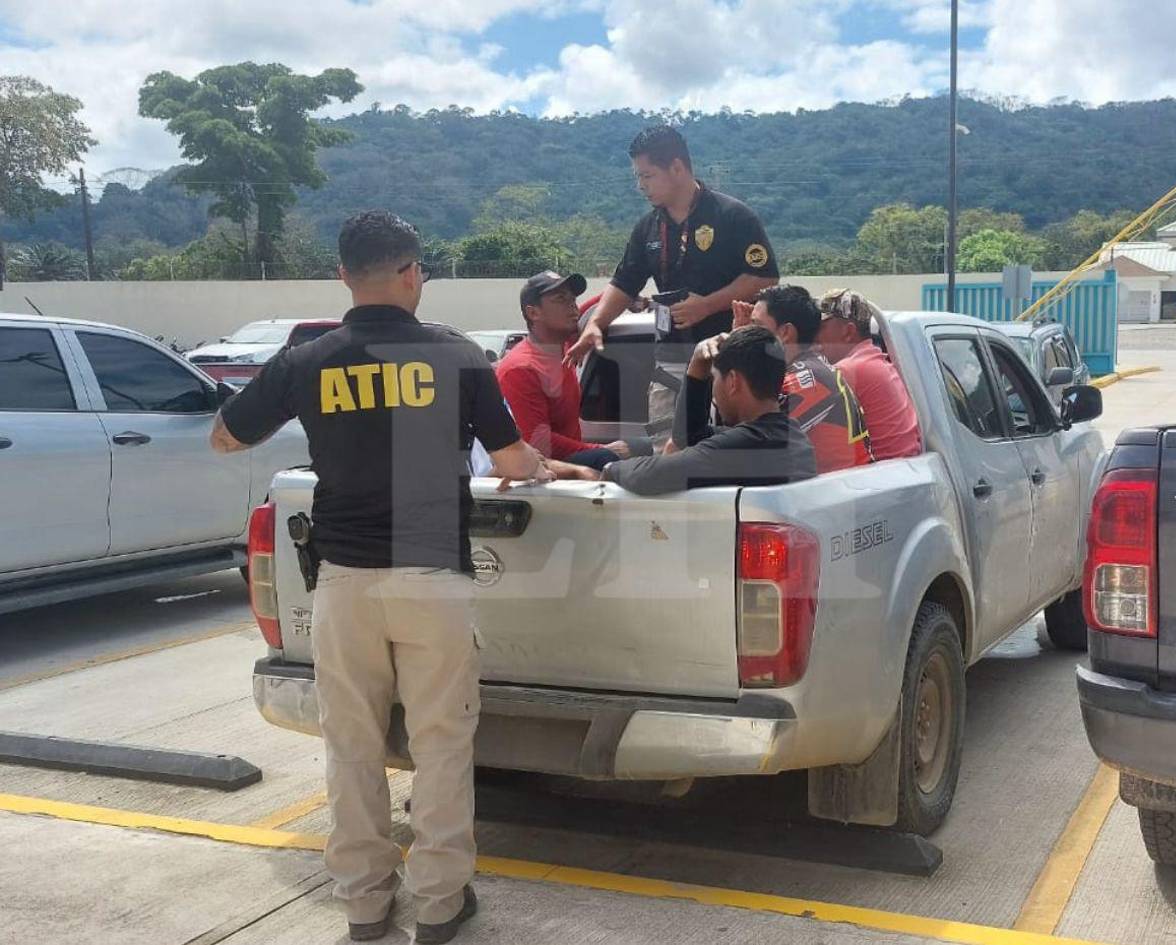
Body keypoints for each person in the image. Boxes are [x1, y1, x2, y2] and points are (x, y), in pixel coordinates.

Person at [210, 210, 553, 944]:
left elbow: (225, 434)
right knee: (441, 742)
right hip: (432, 578)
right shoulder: (457, 354)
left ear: (343, 275)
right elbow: (515, 461)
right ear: (408, 273)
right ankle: (438, 902)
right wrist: (546, 464)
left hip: (345, 580)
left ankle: (366, 903)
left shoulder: (308, 361)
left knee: (353, 745)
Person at [564, 125, 779, 442]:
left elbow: (765, 276)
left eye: (647, 175)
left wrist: (707, 305)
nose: (640, 186)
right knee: (666, 458)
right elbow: (624, 282)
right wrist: (596, 323)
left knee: (726, 457)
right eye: (638, 177)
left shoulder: (733, 216)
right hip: (670, 363)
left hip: (727, 362)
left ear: (677, 167)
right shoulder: (646, 228)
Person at [600, 325, 816, 495]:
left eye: (714, 379)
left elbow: (651, 475)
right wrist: (697, 368)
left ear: (733, 382)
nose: (713, 393)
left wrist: (611, 469)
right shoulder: (788, 435)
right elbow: (688, 437)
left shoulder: (744, 445)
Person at [497, 271, 649, 470]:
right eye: (560, 299)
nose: (572, 305)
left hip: (575, 452)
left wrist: (624, 297)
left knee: (658, 445)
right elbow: (538, 442)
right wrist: (602, 449)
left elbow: (587, 314)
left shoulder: (565, 349)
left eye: (573, 298)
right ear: (533, 313)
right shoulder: (521, 368)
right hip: (546, 467)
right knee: (624, 462)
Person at [732, 285, 872, 472]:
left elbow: (742, 447)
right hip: (833, 492)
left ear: (785, 333)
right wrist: (739, 346)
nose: (748, 334)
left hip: (842, 494)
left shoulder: (809, 379)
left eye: (756, 327)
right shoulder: (808, 368)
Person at [817, 288, 922, 461]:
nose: (814, 337)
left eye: (820, 328)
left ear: (848, 331)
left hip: (879, 478)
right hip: (899, 472)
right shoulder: (877, 361)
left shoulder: (849, 370)